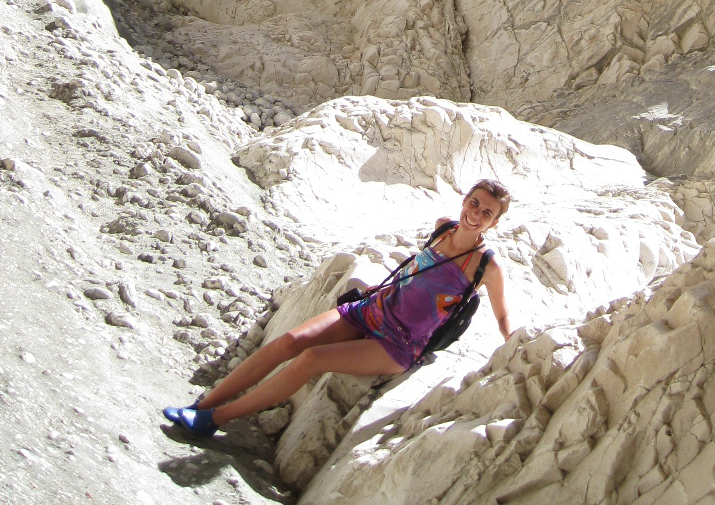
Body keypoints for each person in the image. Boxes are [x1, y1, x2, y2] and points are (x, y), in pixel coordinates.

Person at [163, 180, 513, 437]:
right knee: (289, 341)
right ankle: (203, 405)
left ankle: (215, 419)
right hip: (373, 309)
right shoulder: (443, 228)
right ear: (464, 200)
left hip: (398, 343)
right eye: (474, 203)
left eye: (487, 212)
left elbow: (501, 315)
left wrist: (512, 345)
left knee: (311, 359)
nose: (476, 214)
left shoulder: (486, 266)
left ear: (494, 222)